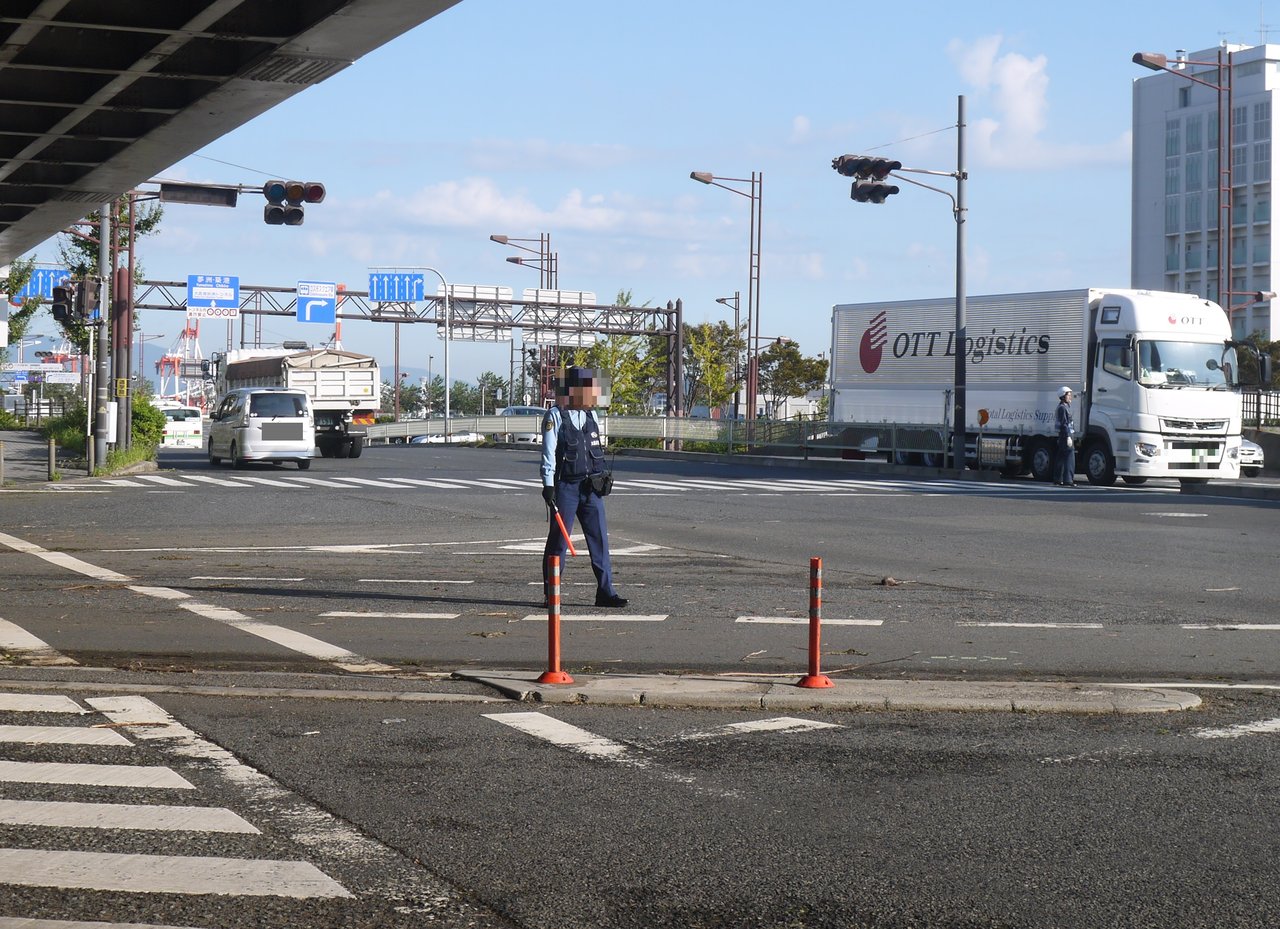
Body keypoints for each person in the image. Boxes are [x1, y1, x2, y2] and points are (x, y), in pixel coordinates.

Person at [541, 366, 627, 608]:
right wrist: (548, 485)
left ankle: (606, 592)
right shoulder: (555, 416)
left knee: (599, 540)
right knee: (559, 542)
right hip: (566, 487)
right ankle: (551, 593)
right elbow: (548, 453)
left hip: (591, 487)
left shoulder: (592, 415)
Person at [1054, 386, 1076, 486]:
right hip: (1065, 434)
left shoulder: (1064, 407)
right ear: (1063, 396)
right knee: (1069, 458)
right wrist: (1068, 436)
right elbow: (1064, 423)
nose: (1070, 396)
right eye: (1068, 395)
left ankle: (1058, 479)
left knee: (1061, 457)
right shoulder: (1063, 408)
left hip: (1064, 435)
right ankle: (1068, 480)